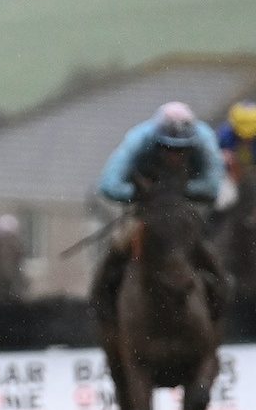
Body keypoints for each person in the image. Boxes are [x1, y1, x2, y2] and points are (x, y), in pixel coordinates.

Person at [92, 101, 229, 322]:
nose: (174, 155)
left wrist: (175, 191)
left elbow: (212, 186)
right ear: (157, 142)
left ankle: (218, 313)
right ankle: (105, 312)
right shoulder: (138, 140)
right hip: (145, 211)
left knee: (210, 256)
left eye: (182, 150)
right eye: (168, 148)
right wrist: (146, 193)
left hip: (184, 210)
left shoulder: (205, 141)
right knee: (116, 251)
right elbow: (109, 184)